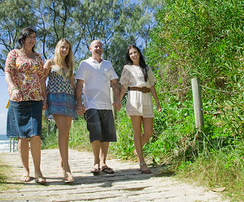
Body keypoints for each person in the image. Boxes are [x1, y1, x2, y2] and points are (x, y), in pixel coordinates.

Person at [5, 27, 47, 184]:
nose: (32, 40)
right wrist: (13, 88)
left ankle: (38, 170)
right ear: (22, 39)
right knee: (22, 135)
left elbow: (42, 77)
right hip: (18, 98)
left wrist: (45, 97)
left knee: (35, 133)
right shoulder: (13, 54)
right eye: (29, 37)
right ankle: (25, 170)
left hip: (36, 98)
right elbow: (8, 72)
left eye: (34, 37)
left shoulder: (38, 56)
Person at [75, 40, 121, 175]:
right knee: (95, 133)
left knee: (106, 135)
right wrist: (79, 103)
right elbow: (79, 84)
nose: (98, 48)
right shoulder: (85, 64)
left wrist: (117, 100)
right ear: (90, 48)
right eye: (96, 46)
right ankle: (95, 162)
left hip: (107, 105)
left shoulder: (108, 64)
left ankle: (103, 163)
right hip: (91, 105)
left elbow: (115, 83)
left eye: (100, 46)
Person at [119, 45, 161, 174]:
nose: (133, 55)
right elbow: (124, 86)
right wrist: (118, 101)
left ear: (139, 53)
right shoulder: (127, 68)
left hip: (147, 98)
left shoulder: (146, 68)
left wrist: (157, 103)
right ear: (129, 56)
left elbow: (152, 86)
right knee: (137, 131)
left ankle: (137, 150)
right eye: (131, 53)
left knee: (148, 132)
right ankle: (142, 163)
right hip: (134, 99)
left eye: (135, 52)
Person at [43, 38, 78, 183]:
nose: (65, 50)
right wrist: (44, 99)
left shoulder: (69, 65)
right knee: (63, 130)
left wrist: (78, 101)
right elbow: (42, 80)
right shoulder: (50, 62)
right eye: (63, 47)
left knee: (66, 132)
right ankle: (67, 169)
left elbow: (72, 84)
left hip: (68, 98)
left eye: (67, 48)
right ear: (58, 47)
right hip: (55, 98)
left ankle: (61, 163)